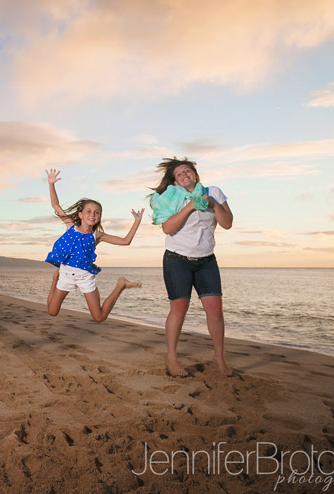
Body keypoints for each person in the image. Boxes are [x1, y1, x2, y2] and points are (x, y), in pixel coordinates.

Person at [149, 157, 233, 377]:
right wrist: (190, 206)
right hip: (177, 260)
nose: (184, 174)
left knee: (215, 310)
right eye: (179, 174)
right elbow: (167, 228)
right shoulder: (172, 198)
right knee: (179, 309)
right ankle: (172, 358)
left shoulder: (213, 192)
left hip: (206, 260)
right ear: (175, 182)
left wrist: (212, 204)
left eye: (187, 170)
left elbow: (227, 223)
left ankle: (219, 357)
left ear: (195, 174)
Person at [45, 169, 143, 321]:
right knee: (52, 312)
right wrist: (51, 184)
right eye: (89, 211)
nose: (92, 215)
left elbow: (126, 241)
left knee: (99, 317)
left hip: (85, 277)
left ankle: (121, 285)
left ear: (99, 217)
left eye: (97, 213)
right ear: (80, 214)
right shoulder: (70, 226)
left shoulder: (97, 236)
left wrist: (137, 221)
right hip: (65, 274)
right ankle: (55, 280)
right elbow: (55, 205)